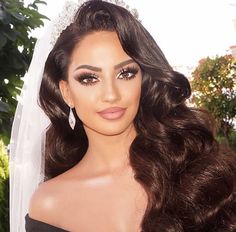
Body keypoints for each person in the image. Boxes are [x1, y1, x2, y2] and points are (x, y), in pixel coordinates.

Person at [10, 0, 236, 231]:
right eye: (89, 78)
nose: (111, 94)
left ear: (144, 80)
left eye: (126, 73)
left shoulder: (199, 171)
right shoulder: (49, 205)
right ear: (67, 92)